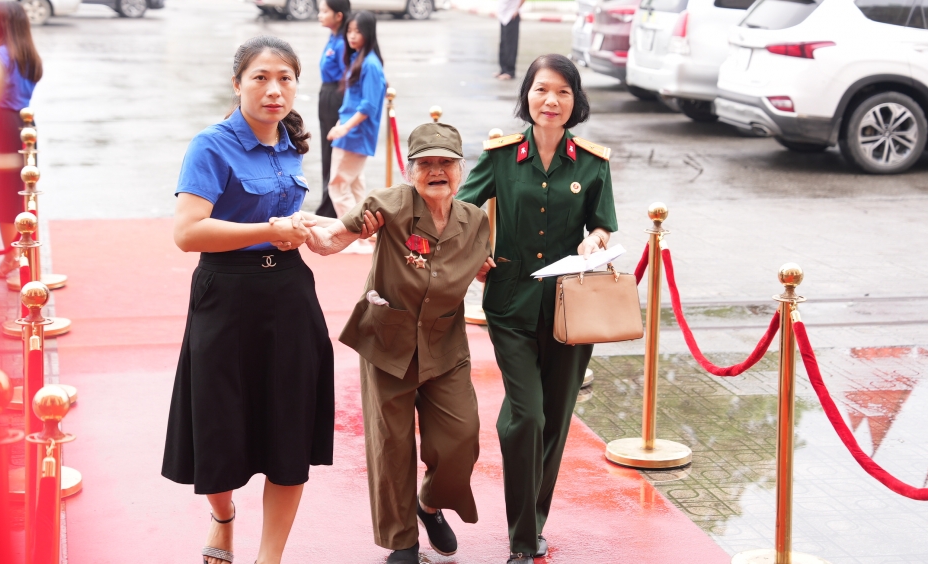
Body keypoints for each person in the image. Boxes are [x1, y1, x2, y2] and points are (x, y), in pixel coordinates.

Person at [162, 36, 339, 564]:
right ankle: (223, 516)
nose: (273, 89)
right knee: (219, 428)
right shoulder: (211, 145)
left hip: (288, 296)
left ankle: (270, 558)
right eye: (260, 77)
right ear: (237, 83)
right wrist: (268, 227)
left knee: (288, 434)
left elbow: (291, 227)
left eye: (285, 78)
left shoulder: (291, 142)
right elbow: (188, 233)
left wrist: (329, 231)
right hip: (226, 296)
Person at [306, 122, 493, 564]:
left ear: (460, 170)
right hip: (387, 342)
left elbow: (486, 271)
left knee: (461, 439)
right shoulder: (386, 205)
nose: (436, 171)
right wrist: (300, 232)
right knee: (391, 445)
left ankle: (427, 505)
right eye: (425, 163)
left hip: (444, 346)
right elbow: (334, 240)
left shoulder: (476, 222)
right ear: (411, 171)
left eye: (445, 163)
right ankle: (401, 540)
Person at [457, 54, 617, 564]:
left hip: (572, 308)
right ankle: (523, 542)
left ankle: (534, 521)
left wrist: (595, 239)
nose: (551, 101)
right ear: (526, 95)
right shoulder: (502, 157)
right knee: (526, 416)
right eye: (542, 90)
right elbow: (463, 208)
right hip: (510, 302)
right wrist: (476, 249)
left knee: (555, 417)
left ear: (576, 101)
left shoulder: (593, 163)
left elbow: (603, 223)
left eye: (563, 93)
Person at [0, 1, 43, 277]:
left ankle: (7, 257)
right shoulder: (27, 55)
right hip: (23, 123)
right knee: (13, 193)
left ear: (2, 24)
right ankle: (13, 255)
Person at [326, 10, 386, 252]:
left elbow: (368, 105)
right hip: (352, 132)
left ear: (368, 33)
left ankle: (354, 238)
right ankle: (366, 238)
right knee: (354, 186)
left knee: (338, 184)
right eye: (349, 31)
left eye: (357, 31)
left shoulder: (369, 63)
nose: (352, 36)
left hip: (354, 135)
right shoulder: (362, 58)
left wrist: (344, 129)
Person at [315, 0, 351, 217]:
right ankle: (327, 203)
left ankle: (331, 209)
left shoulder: (344, 42)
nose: (320, 15)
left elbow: (347, 76)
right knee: (326, 152)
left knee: (334, 153)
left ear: (338, 15)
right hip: (326, 92)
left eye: (324, 11)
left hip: (336, 95)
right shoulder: (332, 36)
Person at [495, 0, 528, 81]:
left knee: (510, 45)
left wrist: (517, 10)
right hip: (503, 17)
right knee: (503, 44)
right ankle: (503, 69)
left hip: (511, 17)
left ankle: (510, 71)